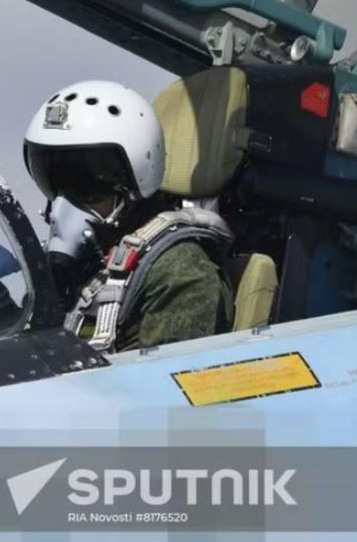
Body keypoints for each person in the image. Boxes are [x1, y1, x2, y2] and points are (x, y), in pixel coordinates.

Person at [23, 80, 234, 351]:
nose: (64, 205)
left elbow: (166, 375)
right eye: (54, 182)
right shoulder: (82, 265)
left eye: (87, 185)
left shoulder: (182, 273)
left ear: (132, 180)